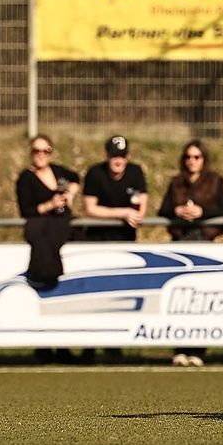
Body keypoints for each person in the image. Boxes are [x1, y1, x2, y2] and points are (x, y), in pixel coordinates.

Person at [158, 139, 223, 367]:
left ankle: (198, 349)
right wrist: (177, 211)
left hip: (204, 243)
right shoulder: (176, 183)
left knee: (200, 299)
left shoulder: (214, 181)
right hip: (181, 244)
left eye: (197, 157)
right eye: (188, 157)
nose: (192, 161)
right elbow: (163, 210)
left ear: (203, 159)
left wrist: (202, 211)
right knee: (180, 299)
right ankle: (180, 349)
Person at [81, 134, 149, 363]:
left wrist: (130, 213)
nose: (117, 160)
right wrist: (121, 213)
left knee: (119, 297)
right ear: (106, 156)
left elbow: (140, 209)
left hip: (124, 244)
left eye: (121, 156)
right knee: (94, 297)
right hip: (97, 243)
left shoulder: (135, 173)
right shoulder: (95, 173)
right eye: (113, 156)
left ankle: (114, 346)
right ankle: (89, 347)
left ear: (127, 157)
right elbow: (90, 209)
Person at [16, 134, 80, 363]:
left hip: (63, 228)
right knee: (44, 272)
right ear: (31, 153)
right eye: (37, 151)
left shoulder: (59, 171)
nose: (41, 155)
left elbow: (76, 178)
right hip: (43, 231)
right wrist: (50, 205)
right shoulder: (26, 178)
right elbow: (26, 210)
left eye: (46, 150)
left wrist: (70, 194)